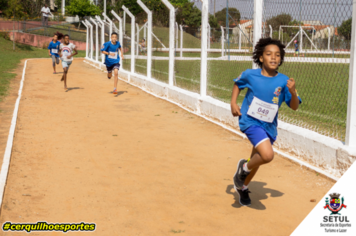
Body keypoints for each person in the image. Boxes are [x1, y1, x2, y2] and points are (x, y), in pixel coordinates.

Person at [230, 37, 302, 206]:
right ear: (261, 57)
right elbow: (237, 84)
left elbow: (294, 107)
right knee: (267, 155)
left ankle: (243, 186)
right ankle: (244, 168)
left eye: (277, 55)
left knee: (257, 158)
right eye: (269, 54)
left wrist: (291, 92)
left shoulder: (284, 81)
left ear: (281, 59)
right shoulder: (250, 74)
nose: (273, 57)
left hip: (268, 126)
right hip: (250, 121)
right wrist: (233, 102)